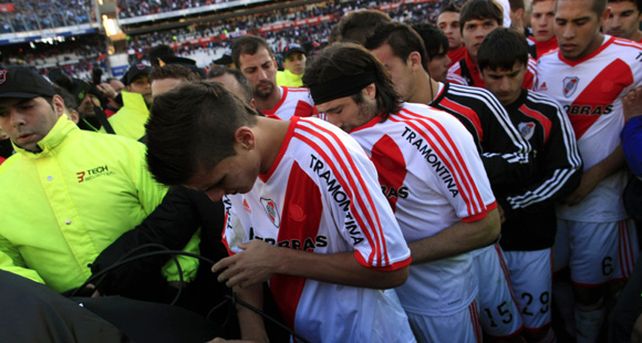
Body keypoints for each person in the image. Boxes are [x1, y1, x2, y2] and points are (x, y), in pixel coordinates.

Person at [145, 81, 415, 342]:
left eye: (217, 184)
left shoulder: (329, 155)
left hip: (369, 333)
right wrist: (254, 336)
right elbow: (243, 263)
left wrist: (280, 260)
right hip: (301, 332)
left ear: (245, 139)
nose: (215, 198)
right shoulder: (237, 171)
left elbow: (393, 269)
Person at [305, 42, 500, 343]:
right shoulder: (325, 133)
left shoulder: (437, 129)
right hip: (373, 304)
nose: (331, 123)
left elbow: (485, 227)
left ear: (369, 91)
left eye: (338, 110)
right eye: (324, 112)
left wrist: (395, 261)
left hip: (439, 299)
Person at [364, 22, 528, 341]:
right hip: (433, 268)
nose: (380, 83)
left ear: (414, 60)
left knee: (505, 328)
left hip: (479, 242)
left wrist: (463, 170)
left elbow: (523, 156)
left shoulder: (475, 101)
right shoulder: (377, 122)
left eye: (386, 70)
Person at [0, 65, 200, 294]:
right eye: (3, 113)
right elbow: (5, 260)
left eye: (26, 107)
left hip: (155, 300)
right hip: (70, 318)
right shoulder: (3, 182)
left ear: (57, 105)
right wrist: (50, 306)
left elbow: (174, 213)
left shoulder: (124, 151)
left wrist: (179, 281)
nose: (16, 120)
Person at [536, 0, 642, 340]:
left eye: (580, 22)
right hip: (553, 204)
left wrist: (594, 177)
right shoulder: (543, 64)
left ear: (603, 17)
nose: (567, 33)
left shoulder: (634, 59)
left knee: (592, 289)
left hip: (602, 204)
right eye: (560, 21)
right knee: (555, 282)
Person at [478, 28, 583, 342]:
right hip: (480, 246)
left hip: (531, 240)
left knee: (537, 328)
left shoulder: (547, 111)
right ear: (481, 72)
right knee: (496, 330)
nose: (506, 86)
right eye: (495, 77)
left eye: (513, 74)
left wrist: (511, 206)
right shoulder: (466, 115)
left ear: (526, 67)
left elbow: (568, 171)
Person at [447, 0, 538, 89]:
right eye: (472, 27)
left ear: (500, 28)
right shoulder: (453, 78)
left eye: (487, 25)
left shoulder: (528, 70)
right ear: (462, 35)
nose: (480, 34)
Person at [232, 35, 315, 119]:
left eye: (266, 66)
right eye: (252, 70)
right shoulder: (237, 118)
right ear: (240, 75)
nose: (263, 76)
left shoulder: (307, 98)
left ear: (275, 65)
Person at [106, 63, 152, 141]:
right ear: (128, 88)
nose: (148, 86)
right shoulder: (113, 124)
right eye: (139, 82)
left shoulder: (174, 109)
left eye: (151, 80)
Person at [437, 2, 466, 66]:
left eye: (455, 25)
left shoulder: (474, 58)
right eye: (442, 27)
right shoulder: (428, 60)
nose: (448, 31)